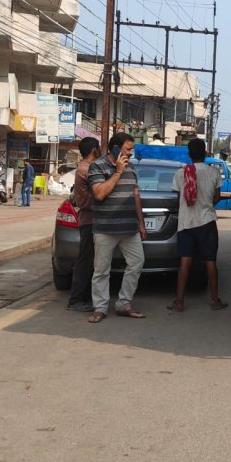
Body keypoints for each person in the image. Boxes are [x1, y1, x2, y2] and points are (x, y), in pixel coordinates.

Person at [87, 132, 147, 323]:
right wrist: (118, 172)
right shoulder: (97, 166)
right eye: (128, 149)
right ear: (115, 148)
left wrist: (141, 222)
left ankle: (124, 304)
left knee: (137, 262)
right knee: (101, 270)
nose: (130, 153)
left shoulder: (132, 168)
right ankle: (100, 308)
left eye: (132, 149)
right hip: (105, 229)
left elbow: (136, 195)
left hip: (129, 229)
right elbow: (99, 194)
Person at [167, 137, 227, 312]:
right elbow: (217, 197)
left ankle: (179, 302)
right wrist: (206, 205)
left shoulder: (180, 173)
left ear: (189, 155)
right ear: (206, 153)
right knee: (210, 261)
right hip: (207, 222)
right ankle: (215, 301)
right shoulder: (214, 172)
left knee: (185, 262)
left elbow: (180, 199)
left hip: (186, 223)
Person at [66, 137, 101, 312]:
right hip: (89, 220)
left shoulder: (87, 168)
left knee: (89, 261)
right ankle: (76, 300)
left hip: (91, 219)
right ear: (94, 149)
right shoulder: (86, 169)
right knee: (85, 261)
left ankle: (84, 297)